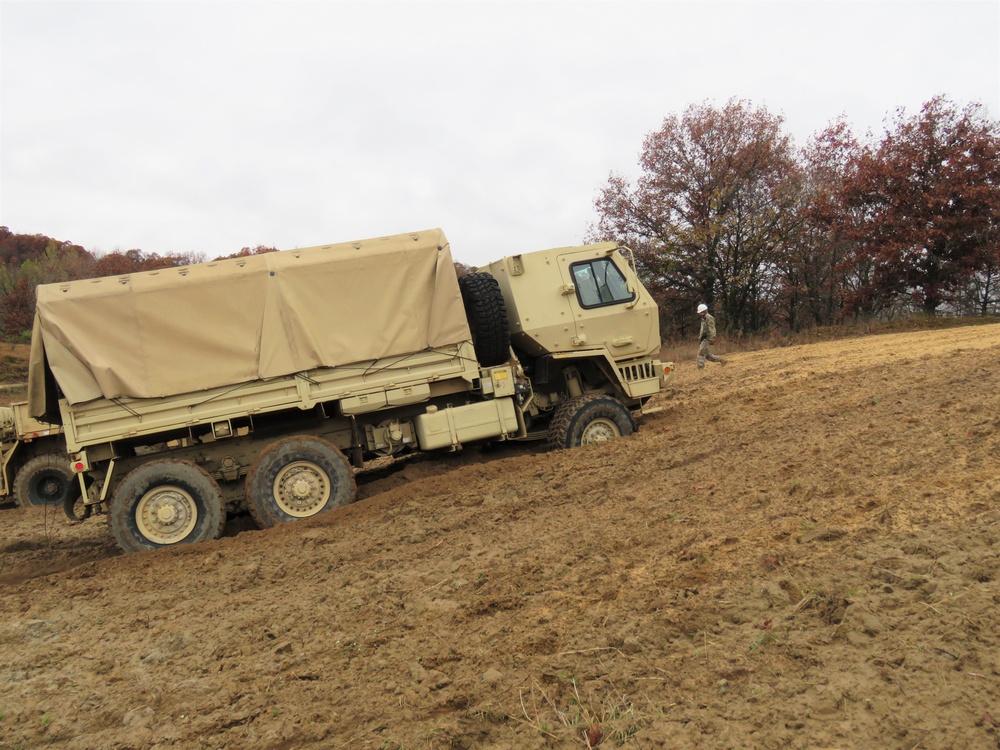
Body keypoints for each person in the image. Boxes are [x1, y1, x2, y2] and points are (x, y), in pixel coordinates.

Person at [696, 303, 726, 369]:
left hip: (707, 338)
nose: (699, 314)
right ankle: (722, 360)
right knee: (707, 355)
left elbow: (712, 329)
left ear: (704, 311)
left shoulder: (709, 318)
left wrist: (711, 339)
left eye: (700, 312)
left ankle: (700, 369)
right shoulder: (703, 318)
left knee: (700, 354)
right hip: (704, 338)